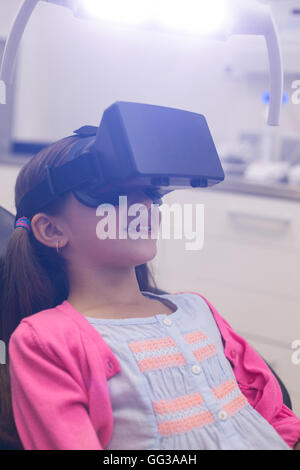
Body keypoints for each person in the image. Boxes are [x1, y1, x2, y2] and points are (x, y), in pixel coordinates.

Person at [0, 134, 300, 450]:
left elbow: (274, 415)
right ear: (52, 229)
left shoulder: (197, 309)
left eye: (151, 193)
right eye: (113, 194)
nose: (143, 205)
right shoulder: (47, 340)